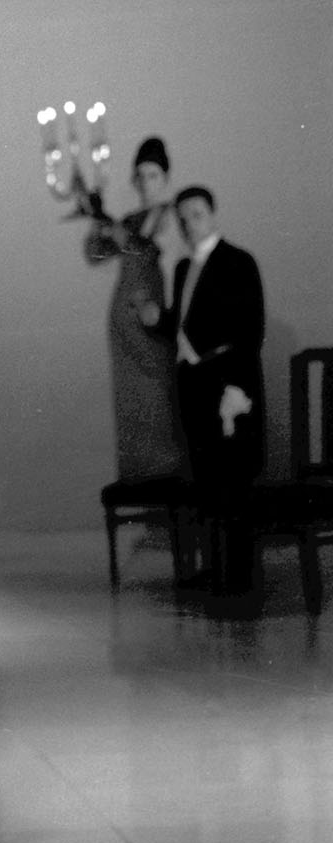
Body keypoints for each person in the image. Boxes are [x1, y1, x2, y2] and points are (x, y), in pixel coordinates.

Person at [164, 185, 265, 593]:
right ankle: (215, 568)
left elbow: (251, 330)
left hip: (227, 384)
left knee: (233, 477)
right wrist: (158, 319)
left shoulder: (238, 262)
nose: (190, 224)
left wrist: (236, 388)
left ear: (212, 214)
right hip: (194, 386)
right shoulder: (183, 269)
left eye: (197, 214)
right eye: (183, 219)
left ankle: (238, 577)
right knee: (205, 477)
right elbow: (183, 324)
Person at [83, 136, 185, 479]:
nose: (145, 183)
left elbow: (147, 248)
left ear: (166, 178)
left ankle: (165, 481)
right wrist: (95, 219)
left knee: (159, 398)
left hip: (154, 317)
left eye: (153, 175)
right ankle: (138, 485)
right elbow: (96, 254)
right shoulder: (128, 220)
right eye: (140, 176)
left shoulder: (171, 215)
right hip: (123, 322)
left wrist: (108, 222)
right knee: (130, 404)